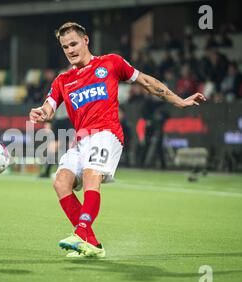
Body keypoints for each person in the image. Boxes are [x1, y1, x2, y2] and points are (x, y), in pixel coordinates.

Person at [29, 22, 206, 258]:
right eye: (65, 47)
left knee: (93, 175)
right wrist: (41, 113)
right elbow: (48, 108)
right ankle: (92, 243)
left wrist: (179, 100)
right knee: (60, 183)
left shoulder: (111, 62)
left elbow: (146, 82)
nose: (70, 50)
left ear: (85, 41)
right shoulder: (62, 81)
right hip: (81, 140)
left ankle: (81, 233)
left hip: (106, 133)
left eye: (73, 43)